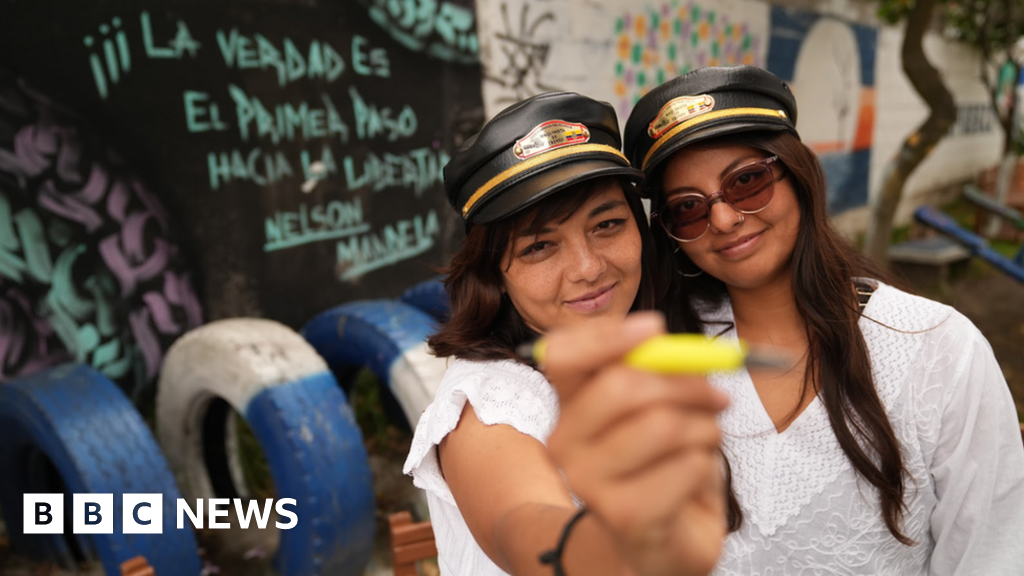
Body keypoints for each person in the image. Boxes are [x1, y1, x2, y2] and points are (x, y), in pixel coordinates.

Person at [622, 65, 1024, 575]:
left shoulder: (937, 349)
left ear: (799, 175)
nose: (723, 219)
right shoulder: (661, 357)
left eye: (746, 181)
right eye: (688, 208)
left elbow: (992, 552)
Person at [404, 91, 730, 576]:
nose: (588, 268)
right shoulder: (488, 403)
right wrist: (616, 545)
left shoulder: (662, 340)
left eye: (607, 224)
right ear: (495, 275)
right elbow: (525, 526)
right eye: (539, 247)